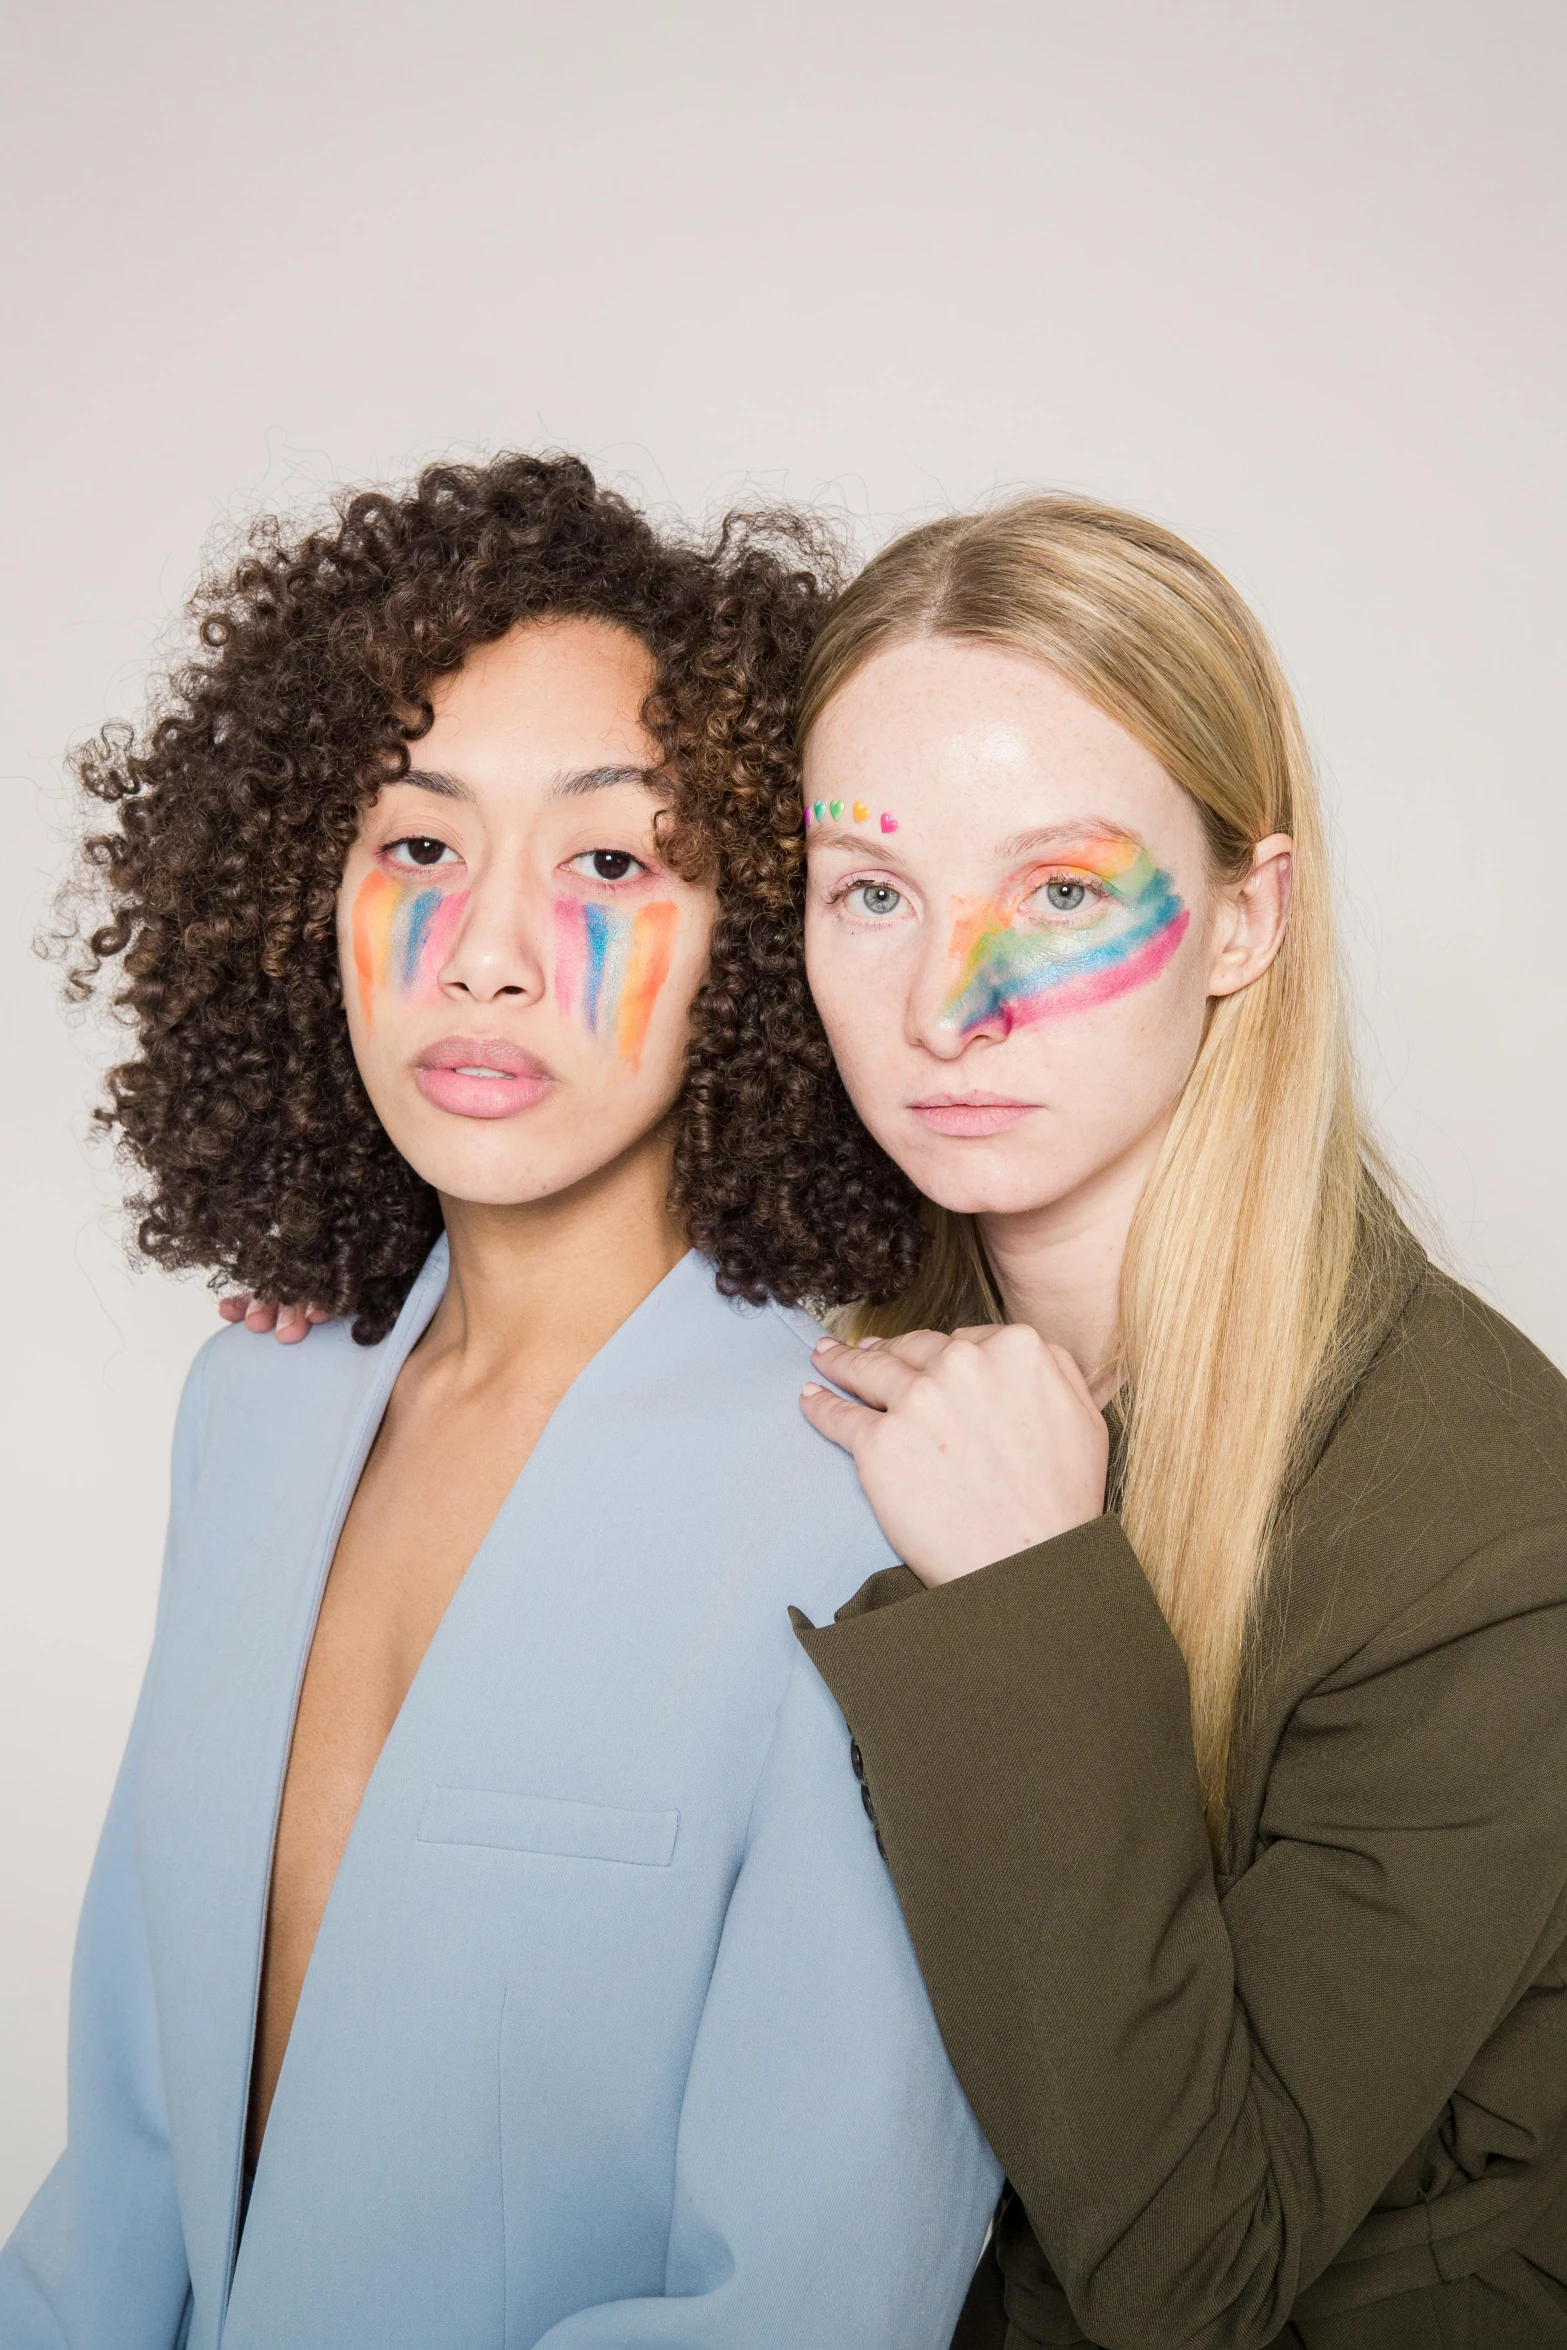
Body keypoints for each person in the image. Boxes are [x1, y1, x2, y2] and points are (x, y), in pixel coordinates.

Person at [0, 455, 1000, 2350]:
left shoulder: (881, 1491)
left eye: (610, 858)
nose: (486, 948)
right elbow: (130, 2162)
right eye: (416, 841)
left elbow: (812, 2295)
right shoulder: (255, 1407)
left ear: (756, 933)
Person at [782, 497, 1567, 2348]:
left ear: (1243, 916)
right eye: (871, 893)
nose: (941, 1006)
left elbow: (1192, 2279)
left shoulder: (1486, 1530)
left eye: (1058, 891)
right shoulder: (865, 1322)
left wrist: (1039, 1591)